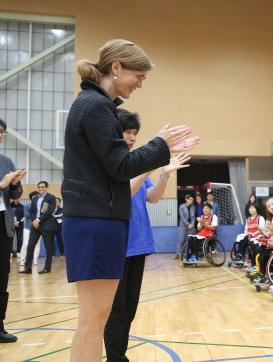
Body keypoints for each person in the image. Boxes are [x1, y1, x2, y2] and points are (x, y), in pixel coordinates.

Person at [63, 38, 197, 361]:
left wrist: (158, 151)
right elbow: (121, 166)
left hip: (98, 221)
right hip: (95, 222)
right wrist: (159, 145)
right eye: (139, 75)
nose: (140, 83)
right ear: (116, 67)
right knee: (92, 321)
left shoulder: (97, 106)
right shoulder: (96, 106)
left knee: (95, 320)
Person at [104, 109, 190, 361]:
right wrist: (150, 163)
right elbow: (125, 193)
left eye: (134, 133)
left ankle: (118, 355)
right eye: (126, 132)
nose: (131, 138)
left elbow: (153, 197)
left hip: (138, 244)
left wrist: (163, 175)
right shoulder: (114, 165)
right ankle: (115, 357)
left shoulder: (136, 163)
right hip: (117, 245)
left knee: (129, 308)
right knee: (117, 308)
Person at [0, 118, 26, 343]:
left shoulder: (6, 161)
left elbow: (14, 197)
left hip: (3, 223)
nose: (0, 134)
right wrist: (1, 183)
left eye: (2, 131)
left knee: (2, 277)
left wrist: (15, 183)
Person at [20, 181, 58, 274]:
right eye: (39, 187)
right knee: (30, 246)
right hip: (35, 225)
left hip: (46, 224)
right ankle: (28, 268)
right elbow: (32, 211)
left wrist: (39, 220)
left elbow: (49, 211)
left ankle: (47, 268)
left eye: (43, 187)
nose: (41, 188)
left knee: (48, 247)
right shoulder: (35, 198)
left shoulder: (51, 197)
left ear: (46, 187)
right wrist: (34, 220)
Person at [19, 192, 39, 269]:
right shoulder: (27, 205)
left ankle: (35, 260)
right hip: (28, 227)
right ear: (31, 197)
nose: (35, 198)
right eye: (33, 197)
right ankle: (22, 259)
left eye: (37, 196)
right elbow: (27, 215)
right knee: (25, 244)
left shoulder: (41, 204)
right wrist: (33, 207)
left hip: (38, 227)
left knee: (37, 244)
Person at [177, 194, 196, 260]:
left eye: (192, 200)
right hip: (183, 225)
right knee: (181, 240)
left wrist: (192, 224)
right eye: (190, 199)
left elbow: (193, 217)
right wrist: (188, 224)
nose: (191, 201)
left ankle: (186, 254)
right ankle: (178, 255)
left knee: (188, 241)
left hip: (191, 227)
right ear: (186, 199)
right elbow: (182, 217)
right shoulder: (181, 206)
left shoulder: (193, 207)